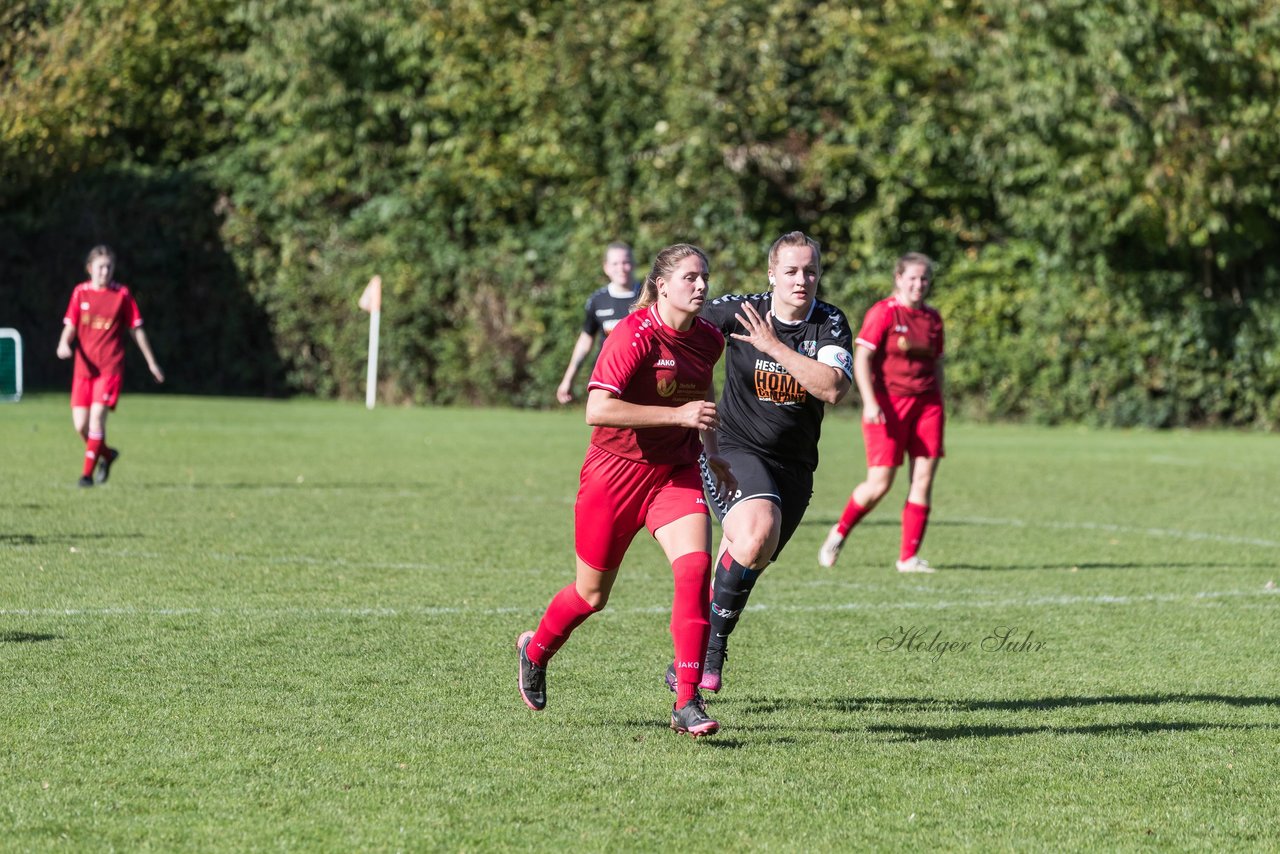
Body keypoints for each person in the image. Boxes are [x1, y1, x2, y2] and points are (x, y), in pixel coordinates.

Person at [517, 243, 737, 738]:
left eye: (704, 277)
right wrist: (677, 416)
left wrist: (714, 450)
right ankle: (535, 651)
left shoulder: (707, 339)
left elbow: (697, 397)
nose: (701, 286)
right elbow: (597, 409)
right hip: (612, 475)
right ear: (662, 285)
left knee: (695, 569)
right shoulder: (631, 334)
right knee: (591, 596)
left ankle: (686, 701)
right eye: (689, 277)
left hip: (674, 472)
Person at [662, 231, 853, 696]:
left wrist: (773, 347)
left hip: (795, 467)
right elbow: (678, 317)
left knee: (752, 552)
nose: (801, 280)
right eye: (790, 271)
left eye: (810, 271)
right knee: (755, 534)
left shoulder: (829, 323)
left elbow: (831, 387)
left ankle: (698, 645)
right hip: (734, 447)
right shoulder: (740, 311)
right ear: (772, 274)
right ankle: (708, 653)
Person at [818, 252, 944, 573]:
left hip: (927, 407)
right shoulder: (883, 313)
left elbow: (937, 363)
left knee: (923, 480)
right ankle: (839, 532)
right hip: (888, 407)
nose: (919, 284)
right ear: (899, 278)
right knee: (880, 483)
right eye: (912, 278)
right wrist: (870, 402)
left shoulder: (932, 318)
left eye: (924, 279)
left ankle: (908, 558)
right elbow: (861, 359)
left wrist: (939, 400)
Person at [56, 245, 165, 488]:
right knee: (80, 425)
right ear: (89, 269)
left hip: (110, 368)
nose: (105, 271)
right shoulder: (80, 293)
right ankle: (106, 454)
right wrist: (64, 343)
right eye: (100, 267)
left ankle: (86, 476)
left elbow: (136, 329)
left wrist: (151, 362)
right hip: (83, 370)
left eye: (109, 267)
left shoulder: (122, 295)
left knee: (96, 421)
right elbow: (71, 325)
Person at [556, 242, 638, 404]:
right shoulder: (597, 300)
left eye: (626, 262)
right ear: (606, 267)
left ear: (633, 264)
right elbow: (586, 340)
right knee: (604, 426)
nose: (621, 268)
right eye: (615, 263)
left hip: (640, 376)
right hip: (607, 377)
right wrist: (568, 378)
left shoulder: (648, 297)